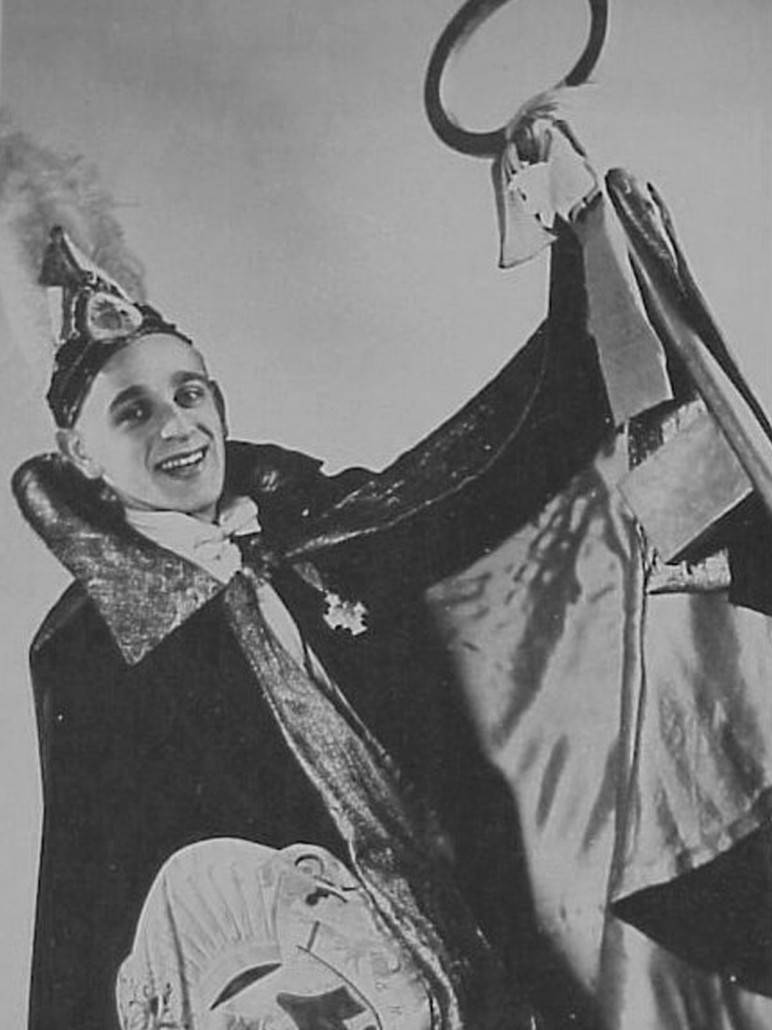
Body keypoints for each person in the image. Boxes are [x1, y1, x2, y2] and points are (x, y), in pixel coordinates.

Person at [13, 223, 610, 1030]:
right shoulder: (91, 648)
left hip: (488, 929)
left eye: (189, 394)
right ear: (80, 452)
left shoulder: (321, 523)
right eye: (133, 411)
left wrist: (586, 257)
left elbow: (488, 472)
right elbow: (88, 900)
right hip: (330, 993)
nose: (176, 427)